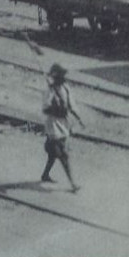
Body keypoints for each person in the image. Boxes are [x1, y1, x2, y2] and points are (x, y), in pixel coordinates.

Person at [41, 63, 84, 191]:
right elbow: (45, 109)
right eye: (60, 75)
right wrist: (55, 107)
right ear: (55, 77)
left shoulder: (66, 88)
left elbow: (71, 105)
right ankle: (73, 184)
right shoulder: (50, 91)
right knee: (63, 154)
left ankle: (45, 175)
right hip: (53, 124)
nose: (63, 78)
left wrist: (78, 118)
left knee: (53, 153)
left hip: (64, 123)